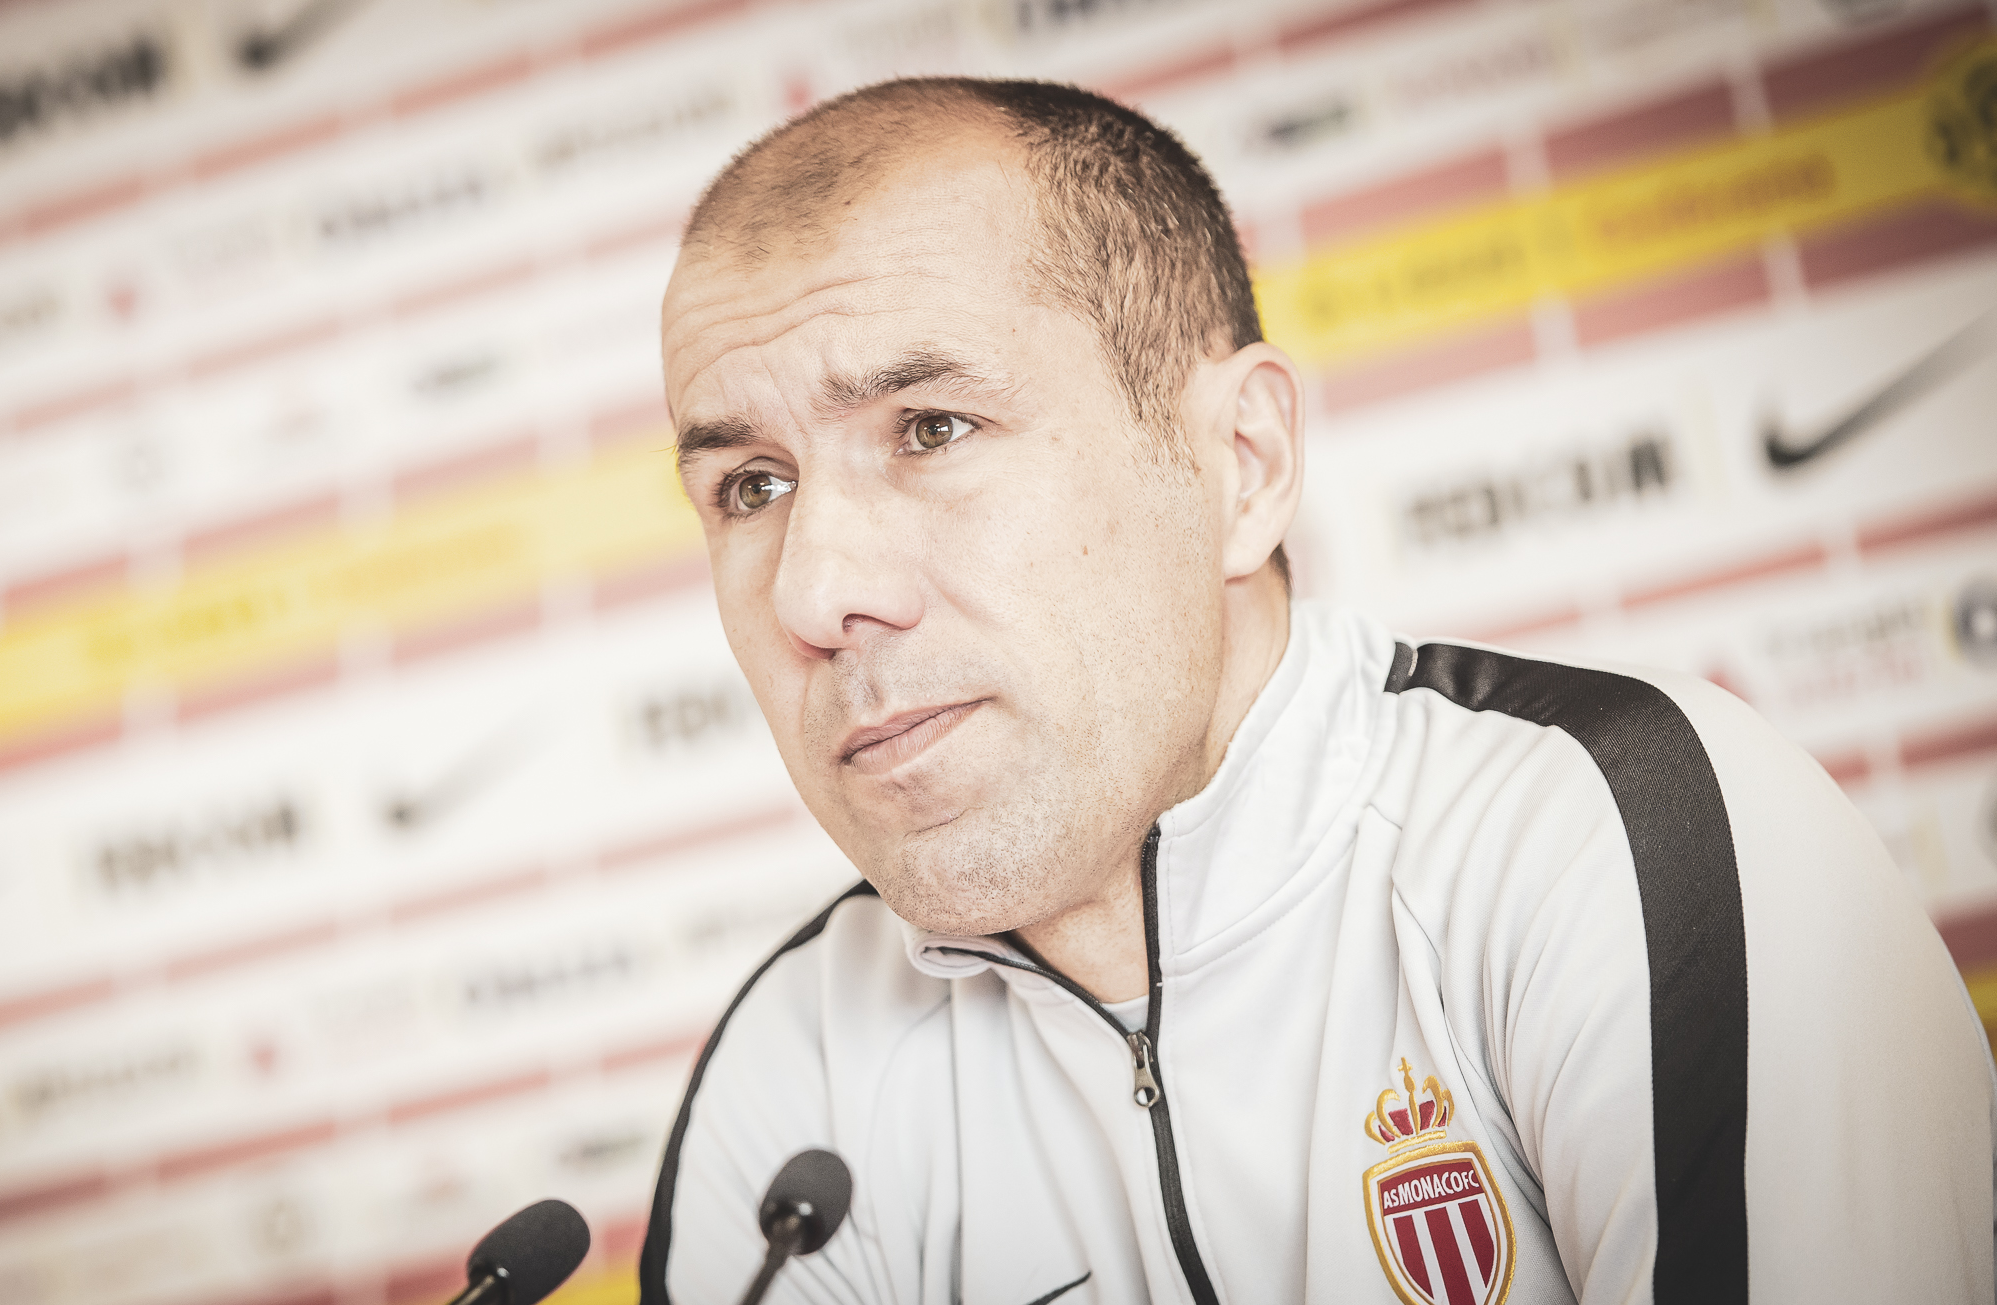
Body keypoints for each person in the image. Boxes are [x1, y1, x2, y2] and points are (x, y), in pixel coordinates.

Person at [638, 77, 1995, 1305]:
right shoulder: (794, 1078)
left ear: (1242, 462)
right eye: (749, 487)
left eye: (932, 428)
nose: (813, 592)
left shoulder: (1623, 841)